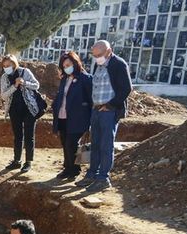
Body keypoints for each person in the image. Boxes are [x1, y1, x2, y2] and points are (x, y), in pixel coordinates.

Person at [76, 40, 132, 193]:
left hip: (109, 111)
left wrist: (111, 105)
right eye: (94, 55)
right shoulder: (98, 65)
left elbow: (126, 88)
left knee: (106, 145)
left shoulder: (118, 64)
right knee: (95, 144)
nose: (96, 58)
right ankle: (92, 174)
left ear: (109, 51)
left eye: (99, 55)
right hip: (96, 110)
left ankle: (103, 178)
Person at [51, 52, 93, 181]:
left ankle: (74, 170)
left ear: (75, 63)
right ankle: (67, 168)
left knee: (71, 143)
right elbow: (62, 96)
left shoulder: (85, 78)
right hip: (63, 116)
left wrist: (90, 120)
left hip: (78, 118)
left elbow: (91, 100)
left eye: (68, 65)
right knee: (65, 143)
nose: (66, 67)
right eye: (64, 66)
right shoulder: (64, 79)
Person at [0, 55, 41, 173]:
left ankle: (28, 162)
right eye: (4, 66)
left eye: (9, 65)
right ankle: (17, 161)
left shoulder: (25, 72)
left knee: (29, 136)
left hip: (29, 109)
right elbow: (3, 95)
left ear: (14, 64)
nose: (6, 68)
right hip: (14, 110)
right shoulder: (4, 77)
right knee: (18, 136)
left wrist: (24, 82)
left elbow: (36, 85)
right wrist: (15, 86)